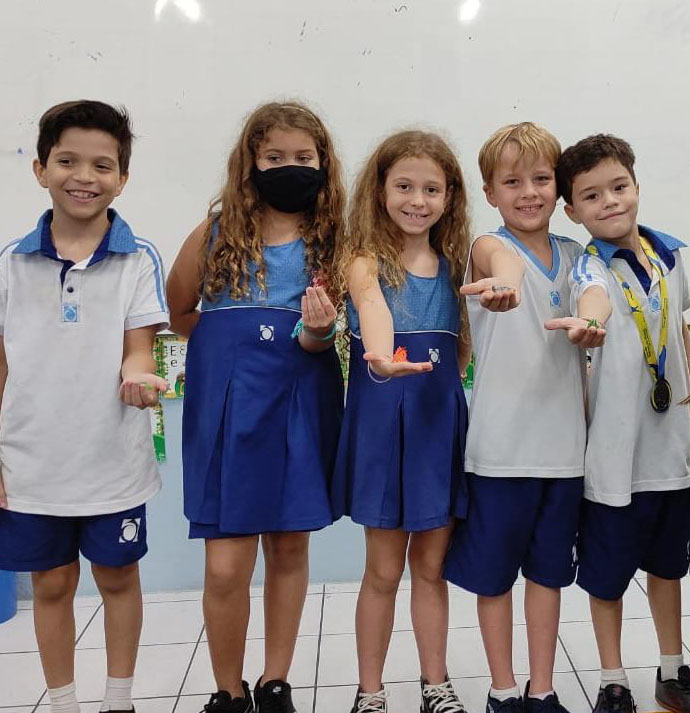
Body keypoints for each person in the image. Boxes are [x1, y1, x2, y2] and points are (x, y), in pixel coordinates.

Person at [166, 101, 346, 713]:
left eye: (303, 158)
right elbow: (181, 311)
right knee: (225, 565)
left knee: (291, 546)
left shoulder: (334, 239)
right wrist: (231, 352)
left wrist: (312, 334)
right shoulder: (215, 233)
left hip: (303, 401)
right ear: (251, 162)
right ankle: (227, 689)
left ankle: (274, 682)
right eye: (274, 157)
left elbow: (329, 332)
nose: (289, 168)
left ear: (324, 164)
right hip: (228, 411)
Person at [0, 100, 169, 713]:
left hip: (112, 463)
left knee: (119, 580)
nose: (84, 176)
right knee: (50, 585)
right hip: (31, 469)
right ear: (40, 167)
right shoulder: (9, 265)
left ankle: (118, 700)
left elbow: (139, 349)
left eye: (102, 165)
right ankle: (64, 702)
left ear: (122, 177)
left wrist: (138, 378)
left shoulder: (137, 258)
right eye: (67, 160)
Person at [556, 134, 690, 713]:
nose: (610, 202)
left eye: (619, 187)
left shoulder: (671, 255)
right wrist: (587, 326)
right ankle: (612, 679)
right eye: (592, 196)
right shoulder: (589, 268)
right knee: (607, 575)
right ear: (573, 211)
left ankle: (672, 669)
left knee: (668, 566)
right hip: (615, 457)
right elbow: (591, 301)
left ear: (637, 187)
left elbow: (681, 333)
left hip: (672, 449)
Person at [443, 122, 591, 713]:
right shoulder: (486, 246)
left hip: (564, 453)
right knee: (494, 578)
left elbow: (594, 301)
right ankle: (503, 690)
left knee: (549, 577)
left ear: (559, 188)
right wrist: (503, 287)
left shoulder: (580, 257)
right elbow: (499, 264)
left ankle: (542, 687)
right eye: (512, 181)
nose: (528, 192)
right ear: (489, 192)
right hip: (500, 453)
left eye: (541, 178)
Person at [332, 130, 471, 713]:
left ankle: (435, 684)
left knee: (431, 568)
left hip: (439, 422)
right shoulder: (363, 259)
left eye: (431, 189)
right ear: (380, 190)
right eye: (405, 186)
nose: (418, 199)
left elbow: (460, 351)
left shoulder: (456, 266)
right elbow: (372, 309)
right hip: (384, 420)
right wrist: (385, 363)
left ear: (450, 196)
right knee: (384, 569)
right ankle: (370, 690)